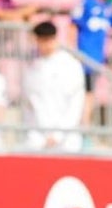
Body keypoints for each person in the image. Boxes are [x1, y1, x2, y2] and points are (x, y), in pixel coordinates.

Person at [23, 20, 86, 151]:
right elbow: (30, 104)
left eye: (49, 39)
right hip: (38, 139)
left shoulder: (70, 65)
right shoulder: (32, 67)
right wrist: (35, 135)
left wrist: (58, 135)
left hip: (67, 140)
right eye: (42, 40)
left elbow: (75, 104)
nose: (46, 44)